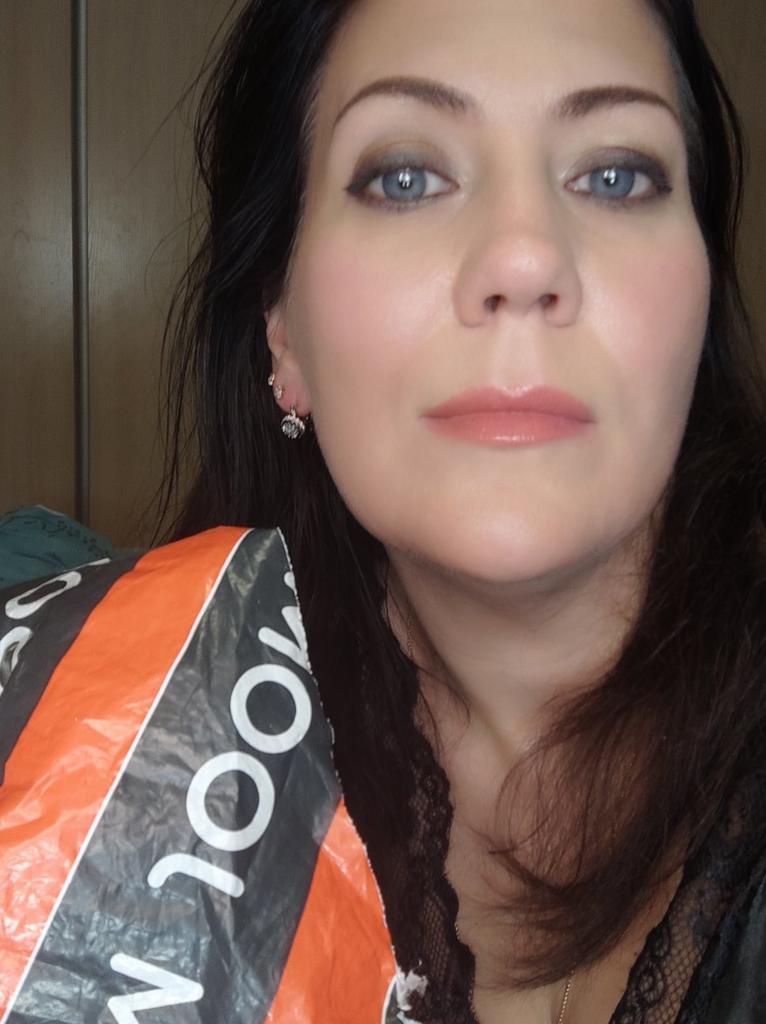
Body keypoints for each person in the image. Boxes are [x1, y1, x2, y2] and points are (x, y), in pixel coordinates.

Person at [157, 0, 766, 1021]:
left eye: (616, 175)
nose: (524, 260)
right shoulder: (133, 760)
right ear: (283, 330)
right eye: (405, 176)